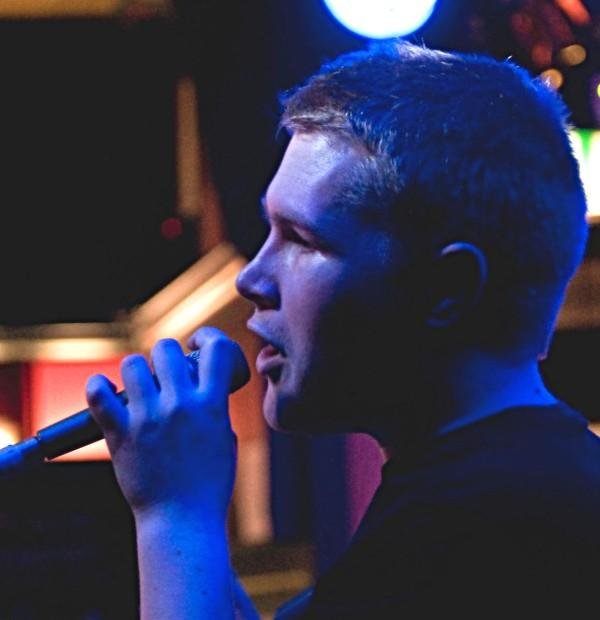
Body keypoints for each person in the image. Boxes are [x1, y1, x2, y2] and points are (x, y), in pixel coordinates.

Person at [86, 40, 600, 618]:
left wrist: (173, 515)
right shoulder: (520, 489)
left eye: (301, 239)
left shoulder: (488, 528)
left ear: (447, 288)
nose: (252, 278)